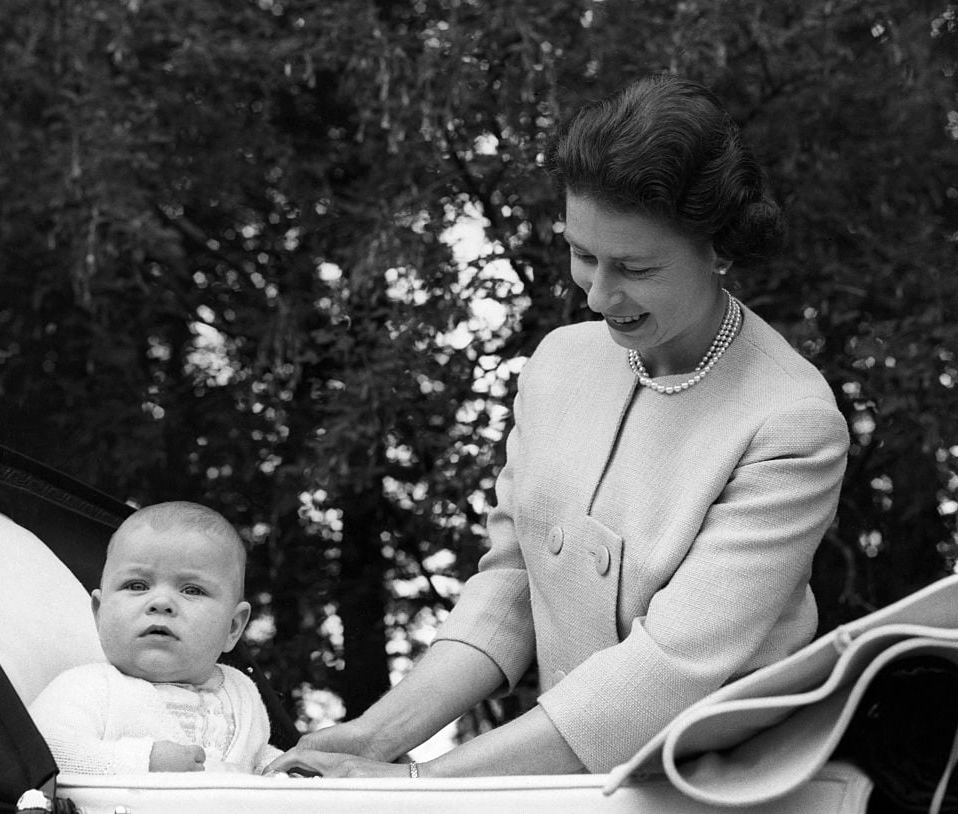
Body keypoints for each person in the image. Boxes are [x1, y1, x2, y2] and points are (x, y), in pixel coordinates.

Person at [267, 73, 851, 778]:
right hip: (564, 778)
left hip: (722, 789)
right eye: (583, 254)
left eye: (634, 266)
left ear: (719, 249)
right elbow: (513, 583)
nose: (600, 295)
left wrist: (421, 785)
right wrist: (376, 736)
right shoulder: (557, 364)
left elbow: (669, 670)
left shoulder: (792, 422)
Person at [30, 501, 284, 775]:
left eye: (192, 590)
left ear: (233, 627)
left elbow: (255, 755)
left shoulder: (242, 691)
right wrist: (142, 761)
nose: (161, 602)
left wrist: (281, 768)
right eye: (137, 586)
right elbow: (45, 751)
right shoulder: (88, 687)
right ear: (99, 613)